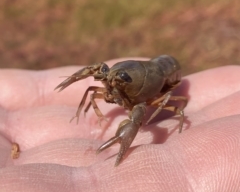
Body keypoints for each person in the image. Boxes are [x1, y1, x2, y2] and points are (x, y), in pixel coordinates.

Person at [0, 58, 240, 191]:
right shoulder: (113, 80)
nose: (111, 86)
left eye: (119, 80)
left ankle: (122, 148)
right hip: (145, 70)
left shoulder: (152, 88)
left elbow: (142, 113)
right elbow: (100, 76)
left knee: (152, 111)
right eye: (111, 78)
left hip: (167, 68)